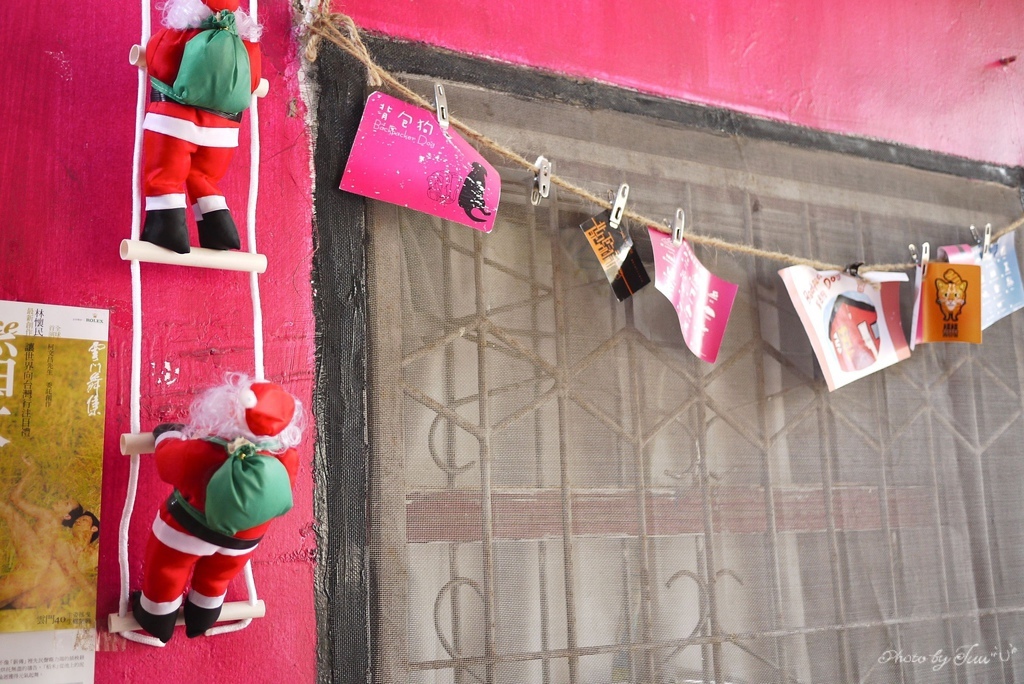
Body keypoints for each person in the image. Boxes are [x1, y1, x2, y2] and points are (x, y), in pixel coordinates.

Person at [132, 373, 302, 642]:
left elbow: (168, 463)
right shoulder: (286, 457)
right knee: (216, 577)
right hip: (244, 540)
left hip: (188, 530)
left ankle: (156, 618)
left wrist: (167, 435)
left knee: (167, 570)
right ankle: (202, 618)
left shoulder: (207, 452)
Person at [139, 0, 262, 253]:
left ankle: (165, 231)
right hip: (223, 134)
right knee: (204, 179)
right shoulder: (245, 44)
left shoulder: (180, 34)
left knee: (165, 176)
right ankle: (220, 232)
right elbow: (254, 81)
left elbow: (157, 57)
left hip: (174, 125)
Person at [0, 457, 99, 611]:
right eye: (79, 520)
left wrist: (31, 471)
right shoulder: (59, 537)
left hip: (35, 568)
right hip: (34, 570)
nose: (79, 522)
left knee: (8, 511)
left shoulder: (51, 520)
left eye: (66, 503)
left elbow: (14, 500)